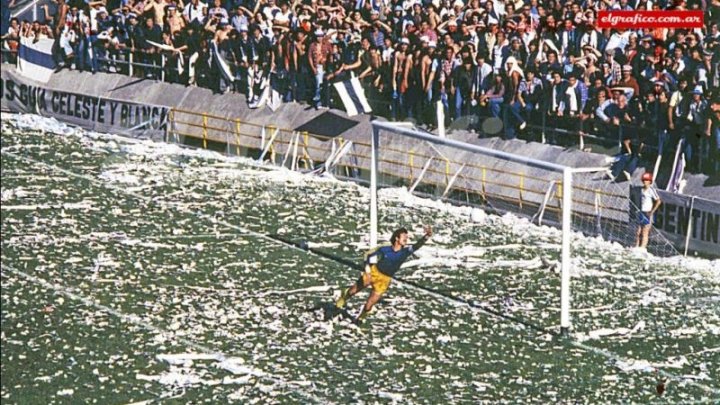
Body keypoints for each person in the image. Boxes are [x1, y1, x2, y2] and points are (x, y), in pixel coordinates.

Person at [335, 225, 433, 324]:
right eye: (404, 237)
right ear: (397, 238)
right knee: (353, 291)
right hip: (374, 272)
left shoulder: (405, 252)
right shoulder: (385, 248)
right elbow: (367, 255)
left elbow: (417, 245)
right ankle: (344, 296)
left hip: (385, 280)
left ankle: (360, 319)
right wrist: (368, 270)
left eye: (407, 237)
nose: (406, 239)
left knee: (370, 304)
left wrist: (426, 236)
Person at [635, 172, 661, 249]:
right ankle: (636, 247)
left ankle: (643, 248)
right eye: (644, 180)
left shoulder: (651, 190)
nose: (645, 182)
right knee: (638, 232)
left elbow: (658, 201)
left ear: (650, 181)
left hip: (647, 213)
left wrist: (652, 211)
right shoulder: (641, 190)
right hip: (641, 212)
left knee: (644, 232)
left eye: (647, 180)